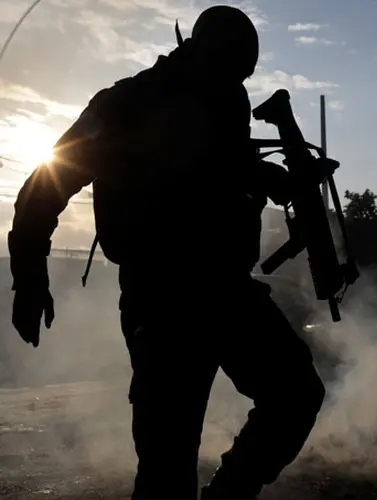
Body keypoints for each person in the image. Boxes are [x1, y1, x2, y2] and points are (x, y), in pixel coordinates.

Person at [8, 5, 325, 499]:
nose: (232, 84)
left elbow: (216, 165)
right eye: (226, 70)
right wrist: (29, 278)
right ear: (196, 53)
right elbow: (44, 184)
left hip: (225, 290)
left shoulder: (226, 99)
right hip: (162, 300)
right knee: (167, 470)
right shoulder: (126, 104)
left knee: (296, 394)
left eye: (239, 76)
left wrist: (263, 176)